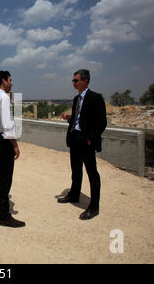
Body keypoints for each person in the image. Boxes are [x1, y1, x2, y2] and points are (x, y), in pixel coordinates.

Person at [59, 69, 107, 220]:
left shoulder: (95, 98)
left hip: (86, 141)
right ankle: (74, 194)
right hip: (75, 138)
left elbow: (101, 123)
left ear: (85, 81)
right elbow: (79, 119)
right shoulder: (76, 99)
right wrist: (69, 118)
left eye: (76, 80)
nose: (73, 83)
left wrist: (90, 139)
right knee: (76, 169)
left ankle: (94, 206)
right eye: (73, 81)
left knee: (92, 173)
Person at [0, 70, 25, 228]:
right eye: (10, 79)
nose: (12, 82)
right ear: (4, 81)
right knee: (4, 177)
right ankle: (4, 216)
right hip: (3, 140)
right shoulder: (3, 98)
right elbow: (8, 125)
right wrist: (15, 145)